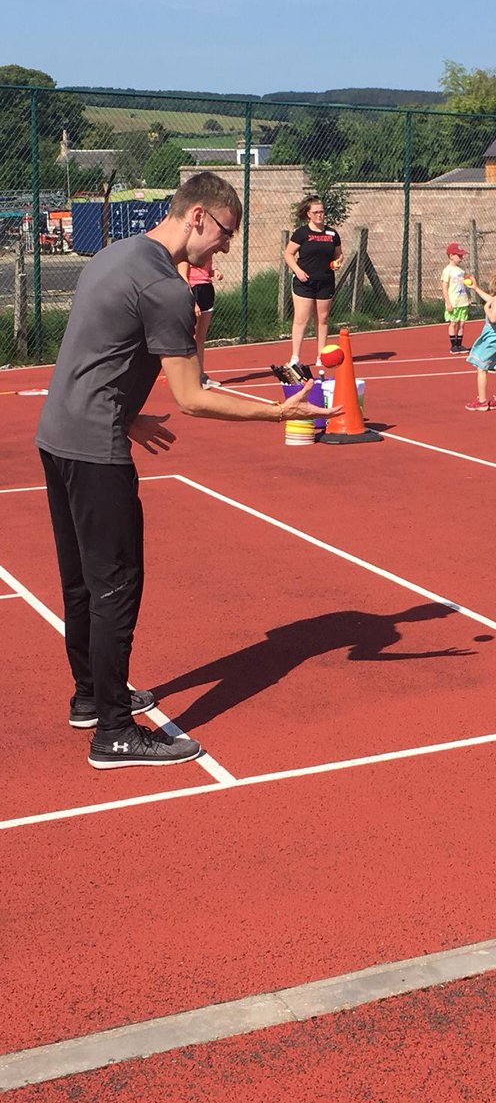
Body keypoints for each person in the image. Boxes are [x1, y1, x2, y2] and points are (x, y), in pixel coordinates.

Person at [35, 172, 340, 770]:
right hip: (94, 450)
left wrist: (127, 415)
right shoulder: (167, 288)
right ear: (198, 215)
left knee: (82, 582)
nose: (226, 245)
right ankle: (114, 733)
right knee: (116, 586)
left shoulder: (114, 256)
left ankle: (92, 697)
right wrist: (277, 411)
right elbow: (194, 397)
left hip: (58, 436)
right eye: (226, 232)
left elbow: (94, 353)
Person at [282, 195, 342, 371]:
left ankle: (321, 356)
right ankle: (295, 357)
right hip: (304, 282)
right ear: (308, 214)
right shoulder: (302, 233)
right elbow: (288, 254)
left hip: (325, 281)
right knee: (301, 318)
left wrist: (337, 262)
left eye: (322, 212)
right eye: (316, 212)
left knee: (322, 319)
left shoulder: (332, 234)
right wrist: (298, 271)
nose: (320, 215)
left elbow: (339, 255)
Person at [464, 266, 496, 412]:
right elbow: (491, 299)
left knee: (481, 367)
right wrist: (476, 288)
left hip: (492, 336)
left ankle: (482, 401)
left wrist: (486, 309)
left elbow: (493, 318)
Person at [177, 254, 223, 387]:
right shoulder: (186, 254)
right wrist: (192, 302)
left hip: (207, 290)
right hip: (193, 291)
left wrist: (215, 272)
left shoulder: (207, 253)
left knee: (200, 338)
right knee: (191, 338)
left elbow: (206, 272)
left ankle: (201, 375)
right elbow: (182, 277)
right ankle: (190, 377)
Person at [441, 241, 470, 354]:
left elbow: (465, 285)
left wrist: (468, 297)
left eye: (462, 256)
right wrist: (448, 302)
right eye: (459, 255)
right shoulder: (447, 270)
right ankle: (453, 346)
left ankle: (459, 344)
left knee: (462, 324)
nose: (461, 258)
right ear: (451, 256)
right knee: (453, 323)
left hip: (463, 301)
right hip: (453, 302)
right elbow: (444, 287)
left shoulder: (461, 271)